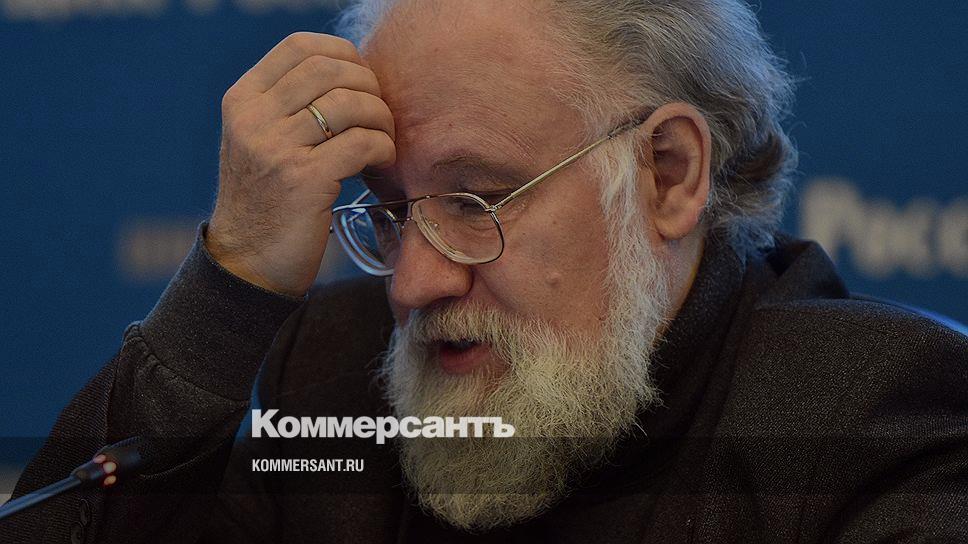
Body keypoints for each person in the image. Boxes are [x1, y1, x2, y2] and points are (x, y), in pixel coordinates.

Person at [3, 0, 967, 542]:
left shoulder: (868, 416)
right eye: (391, 211)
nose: (412, 286)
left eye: (475, 201)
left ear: (668, 174)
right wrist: (232, 287)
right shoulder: (332, 381)